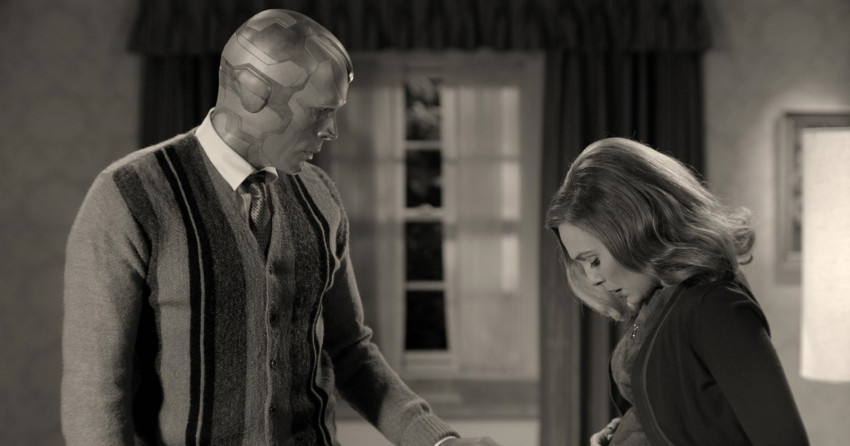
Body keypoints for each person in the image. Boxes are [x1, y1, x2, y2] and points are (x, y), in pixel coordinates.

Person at [61, 9, 499, 446]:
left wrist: (439, 442)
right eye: (320, 111)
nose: (332, 131)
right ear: (254, 93)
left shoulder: (320, 195)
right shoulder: (129, 195)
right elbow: (95, 391)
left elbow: (350, 351)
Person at [545, 137, 809, 445]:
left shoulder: (715, 307)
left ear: (635, 230)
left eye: (593, 260)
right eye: (582, 264)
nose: (592, 279)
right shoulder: (659, 301)